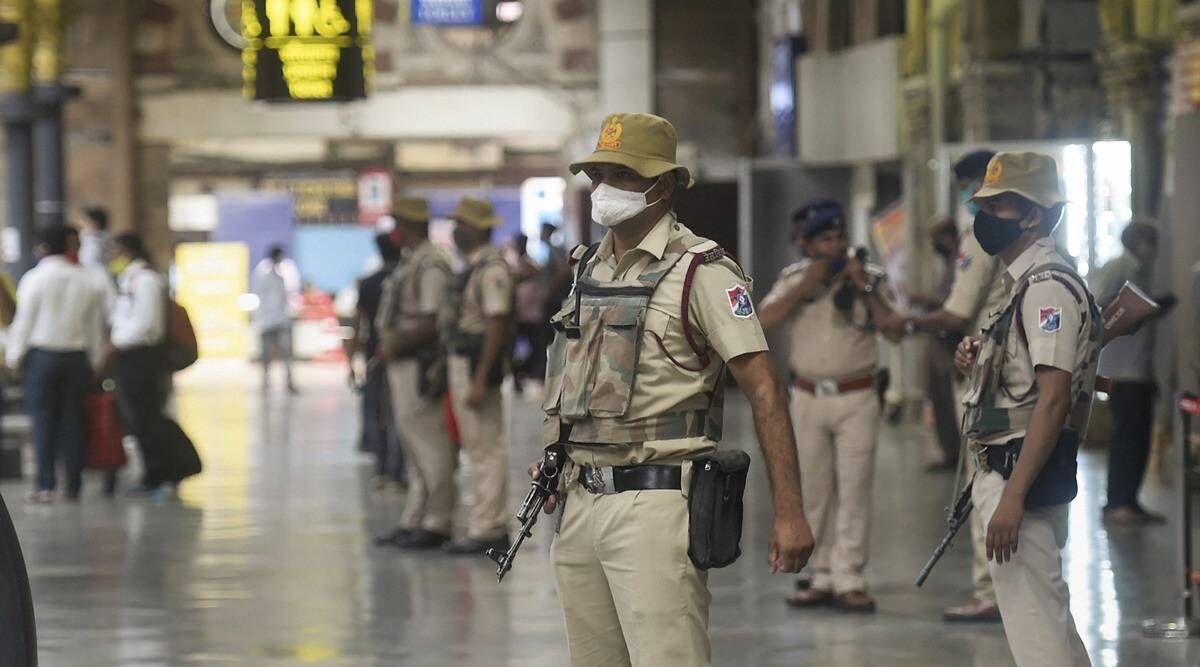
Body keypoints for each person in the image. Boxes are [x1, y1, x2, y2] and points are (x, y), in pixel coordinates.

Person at [538, 112, 814, 664]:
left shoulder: (702, 272)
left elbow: (763, 389)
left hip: (655, 503)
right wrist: (554, 453)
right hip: (579, 501)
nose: (605, 188)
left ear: (662, 185)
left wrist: (789, 511)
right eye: (599, 174)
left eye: (622, 175)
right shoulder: (589, 269)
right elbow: (573, 377)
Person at [955, 151, 1098, 666]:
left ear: (1034, 217)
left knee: (1037, 634)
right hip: (1012, 465)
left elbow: (1053, 398)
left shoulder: (1045, 288)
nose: (985, 217)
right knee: (1050, 626)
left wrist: (1012, 498)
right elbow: (1027, 379)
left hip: (1020, 472)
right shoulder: (1022, 282)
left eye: (1000, 207)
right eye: (984, 206)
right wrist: (981, 356)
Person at [758, 200, 903, 613]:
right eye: (825, 239)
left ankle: (850, 576)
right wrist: (806, 286)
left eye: (840, 238)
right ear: (807, 245)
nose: (835, 246)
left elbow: (894, 330)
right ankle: (820, 574)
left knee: (855, 488)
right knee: (813, 489)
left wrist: (863, 285)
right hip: (807, 396)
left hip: (857, 395)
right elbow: (763, 320)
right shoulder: (794, 279)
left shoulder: (870, 277)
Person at [889, 149, 1006, 623]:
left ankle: (989, 591)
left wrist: (906, 324)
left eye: (966, 186)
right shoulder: (1027, 239)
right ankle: (1004, 592)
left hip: (988, 378)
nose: (966, 196)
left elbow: (957, 314)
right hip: (1009, 378)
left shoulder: (981, 236)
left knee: (986, 483)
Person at [6, 224, 108, 503]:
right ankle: (73, 485)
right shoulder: (86, 279)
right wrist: (96, 359)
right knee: (74, 420)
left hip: (42, 357)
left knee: (43, 421)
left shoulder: (35, 278)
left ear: (42, 248)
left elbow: (24, 322)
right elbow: (94, 326)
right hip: (77, 358)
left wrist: (14, 357)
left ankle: (46, 485)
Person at [375, 198, 456, 549]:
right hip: (403, 363)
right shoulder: (414, 261)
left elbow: (434, 320)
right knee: (413, 446)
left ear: (410, 226)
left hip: (420, 365)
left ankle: (438, 520)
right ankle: (416, 517)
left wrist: (396, 345)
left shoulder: (431, 263)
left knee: (430, 445)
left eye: (399, 224)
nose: (395, 232)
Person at [442, 196, 515, 555]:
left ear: (479, 228)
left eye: (463, 224)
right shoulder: (473, 267)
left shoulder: (491, 270)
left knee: (486, 449)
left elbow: (495, 325)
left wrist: (481, 378)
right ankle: (485, 521)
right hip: (464, 363)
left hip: (476, 367)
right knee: (476, 447)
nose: (456, 230)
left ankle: (490, 527)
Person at [109, 232, 202, 496]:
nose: (112, 256)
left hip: (143, 357)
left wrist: (116, 342)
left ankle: (167, 470)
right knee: (139, 419)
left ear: (127, 251)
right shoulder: (131, 279)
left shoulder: (147, 280)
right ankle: (158, 472)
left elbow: (147, 325)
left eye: (115, 250)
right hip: (130, 356)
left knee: (147, 417)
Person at [1089, 218, 1163, 524]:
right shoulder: (1119, 267)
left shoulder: (1138, 271)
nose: (1154, 249)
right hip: (1122, 370)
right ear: (1137, 241)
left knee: (1138, 439)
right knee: (1127, 438)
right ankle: (1118, 502)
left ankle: (1129, 500)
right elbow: (1098, 306)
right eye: (1151, 242)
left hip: (1137, 369)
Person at [349, 233, 406, 487]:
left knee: (376, 414)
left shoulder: (369, 283)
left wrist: (351, 361)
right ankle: (399, 470)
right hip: (402, 355)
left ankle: (382, 468)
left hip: (374, 357)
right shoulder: (405, 282)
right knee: (400, 414)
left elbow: (358, 324)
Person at [252, 245, 300, 393]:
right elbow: (259, 296)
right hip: (266, 320)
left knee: (286, 353)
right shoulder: (262, 273)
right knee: (266, 354)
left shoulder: (284, 272)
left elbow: (286, 297)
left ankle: (288, 381)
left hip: (281, 319)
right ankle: (265, 381)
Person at [508, 233, 545, 392]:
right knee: (516, 349)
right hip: (520, 313)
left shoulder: (528, 263)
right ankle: (518, 375)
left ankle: (524, 371)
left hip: (530, 313)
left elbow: (537, 274)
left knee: (535, 348)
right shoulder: (516, 263)